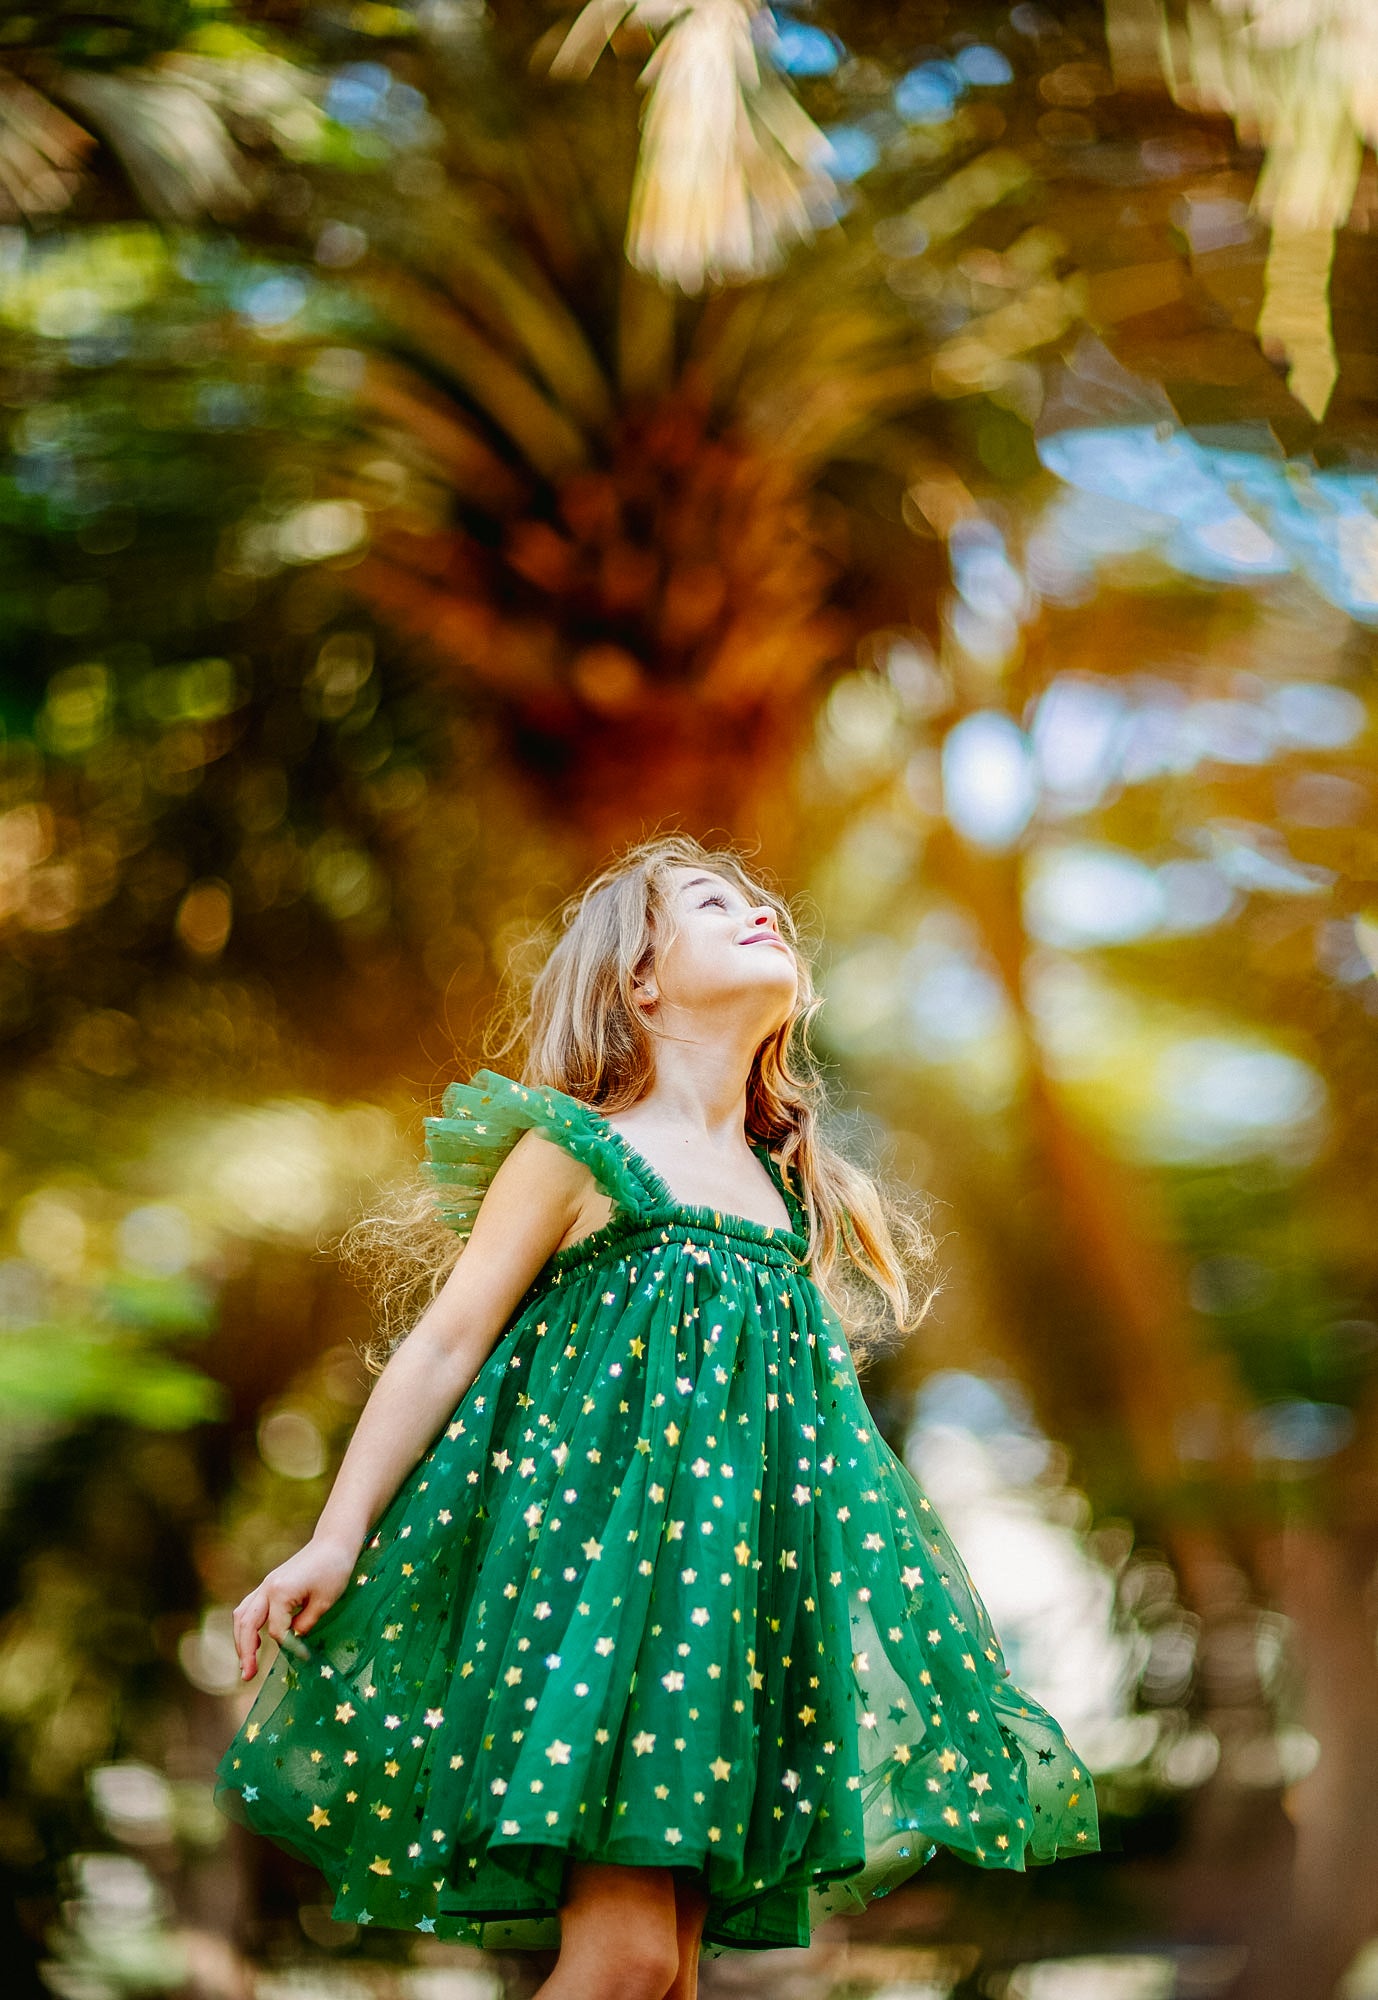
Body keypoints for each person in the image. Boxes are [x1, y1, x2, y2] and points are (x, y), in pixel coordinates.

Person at [215, 831, 1099, 1996]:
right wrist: (337, 1532)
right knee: (627, 1955)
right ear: (639, 977)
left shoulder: (783, 1194)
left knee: (670, 1968)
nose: (757, 911)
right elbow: (442, 1342)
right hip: (599, 1596)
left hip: (726, 1615)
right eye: (708, 902)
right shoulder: (578, 1149)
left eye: (760, 902)